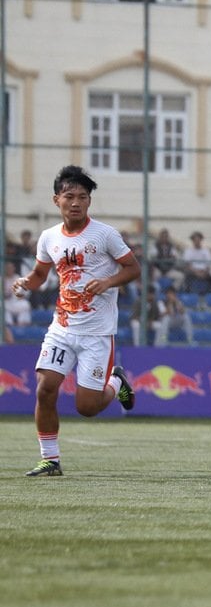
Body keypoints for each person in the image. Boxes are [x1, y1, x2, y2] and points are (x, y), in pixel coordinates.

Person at [9, 165, 140, 477]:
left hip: (97, 334)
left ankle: (116, 382)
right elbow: (41, 274)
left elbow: (134, 269)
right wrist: (27, 282)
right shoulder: (48, 237)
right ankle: (50, 459)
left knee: (87, 408)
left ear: (89, 202)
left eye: (83, 197)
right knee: (45, 388)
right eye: (70, 196)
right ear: (57, 200)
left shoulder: (105, 235)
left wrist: (108, 282)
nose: (76, 202)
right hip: (62, 329)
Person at [181, 231, 211, 296]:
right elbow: (188, 265)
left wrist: (205, 272)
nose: (197, 241)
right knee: (187, 273)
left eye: (198, 239)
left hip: (204, 271)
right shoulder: (188, 251)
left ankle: (208, 295)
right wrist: (197, 273)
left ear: (201, 240)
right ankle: (190, 293)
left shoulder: (206, 251)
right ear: (192, 241)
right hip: (193, 271)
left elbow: (209, 264)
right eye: (195, 240)